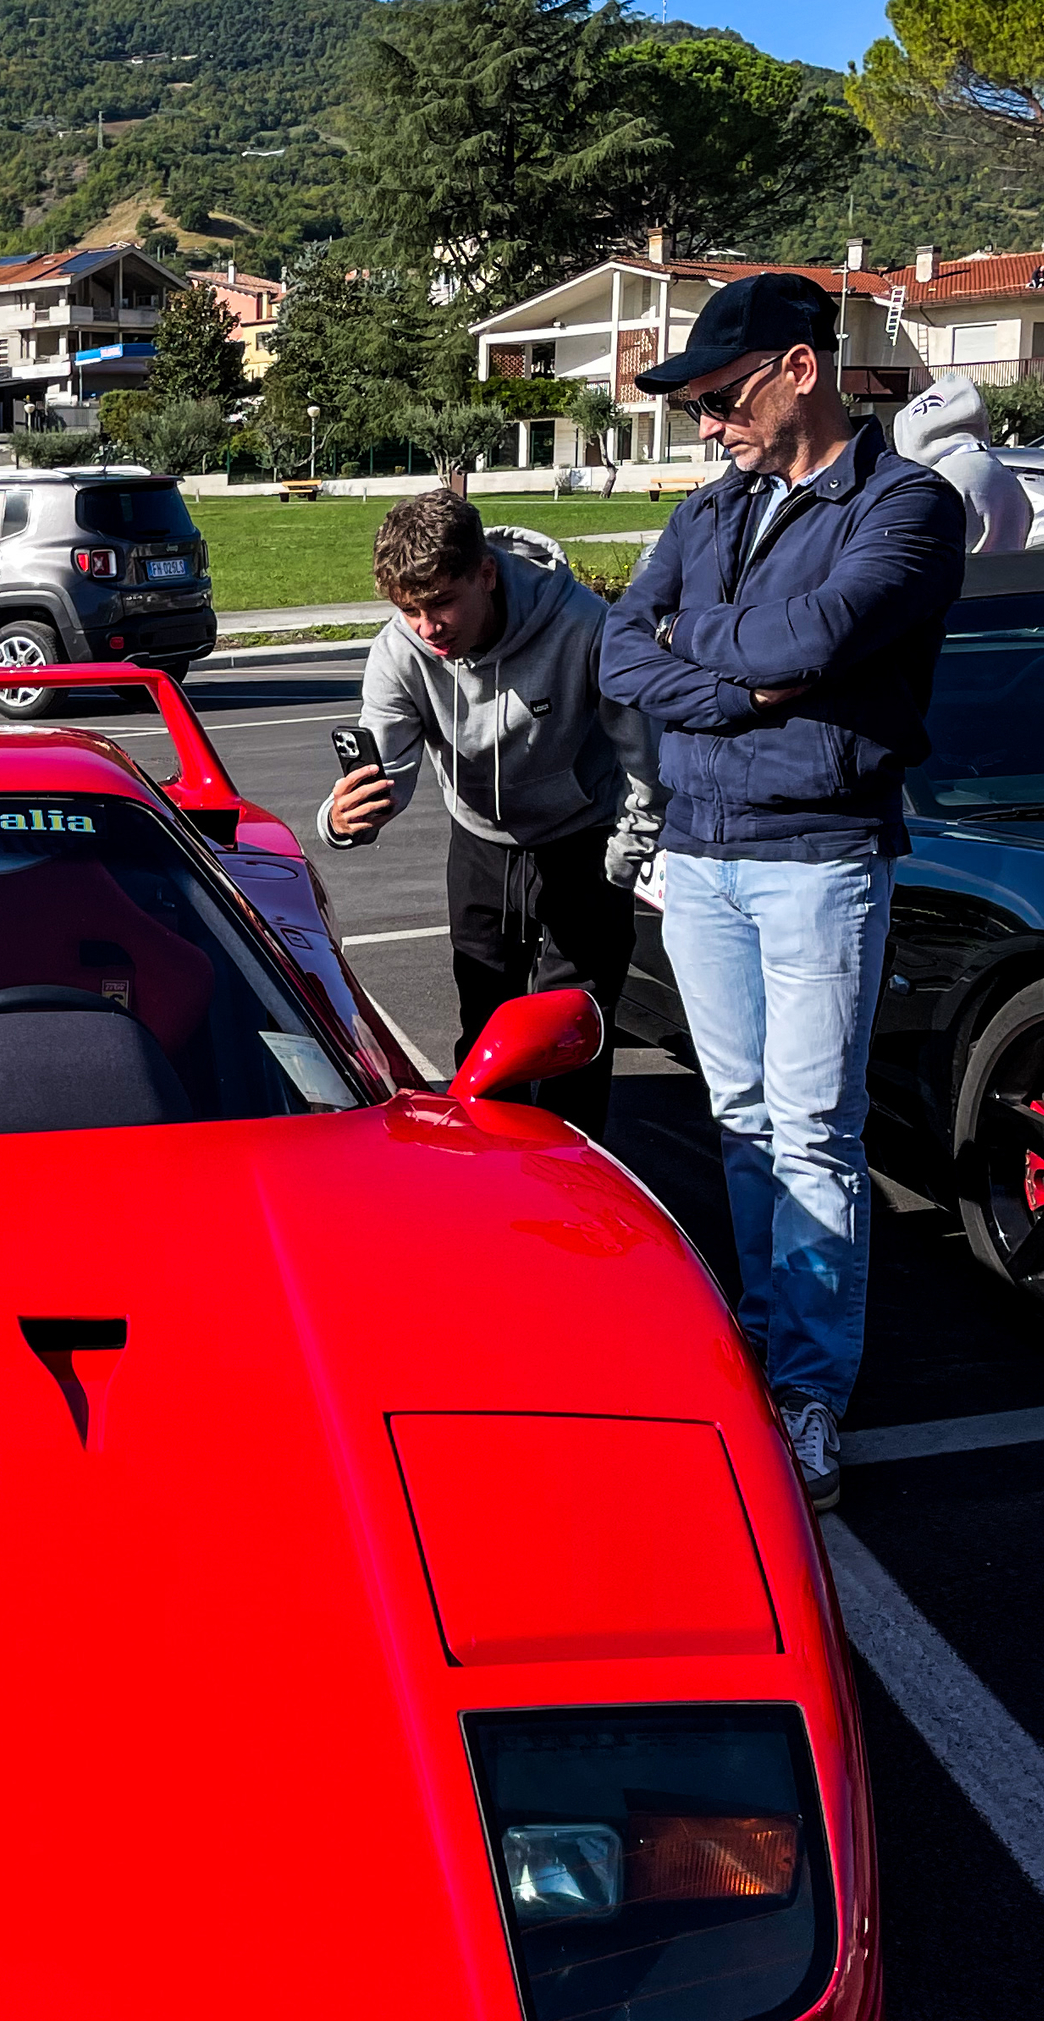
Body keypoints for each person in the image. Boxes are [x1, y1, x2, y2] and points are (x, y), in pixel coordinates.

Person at [600, 271, 965, 1511]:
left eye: (719, 396)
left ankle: (809, 1393)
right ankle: (760, 1348)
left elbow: (805, 646)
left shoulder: (906, 508)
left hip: (817, 856)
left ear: (800, 368)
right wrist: (739, 690)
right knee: (743, 1120)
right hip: (698, 853)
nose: (705, 424)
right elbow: (616, 648)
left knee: (813, 1133)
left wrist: (703, 664)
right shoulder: (714, 510)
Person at [319, 488, 661, 1136]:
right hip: (478, 840)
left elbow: (648, 763)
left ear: (485, 573)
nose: (427, 627)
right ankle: (488, 1187)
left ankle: (573, 1195)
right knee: (483, 1032)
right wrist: (343, 820)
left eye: (442, 603)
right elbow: (383, 772)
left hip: (581, 839)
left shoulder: (584, 625)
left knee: (572, 1037)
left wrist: (623, 860)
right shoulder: (401, 649)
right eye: (410, 609)